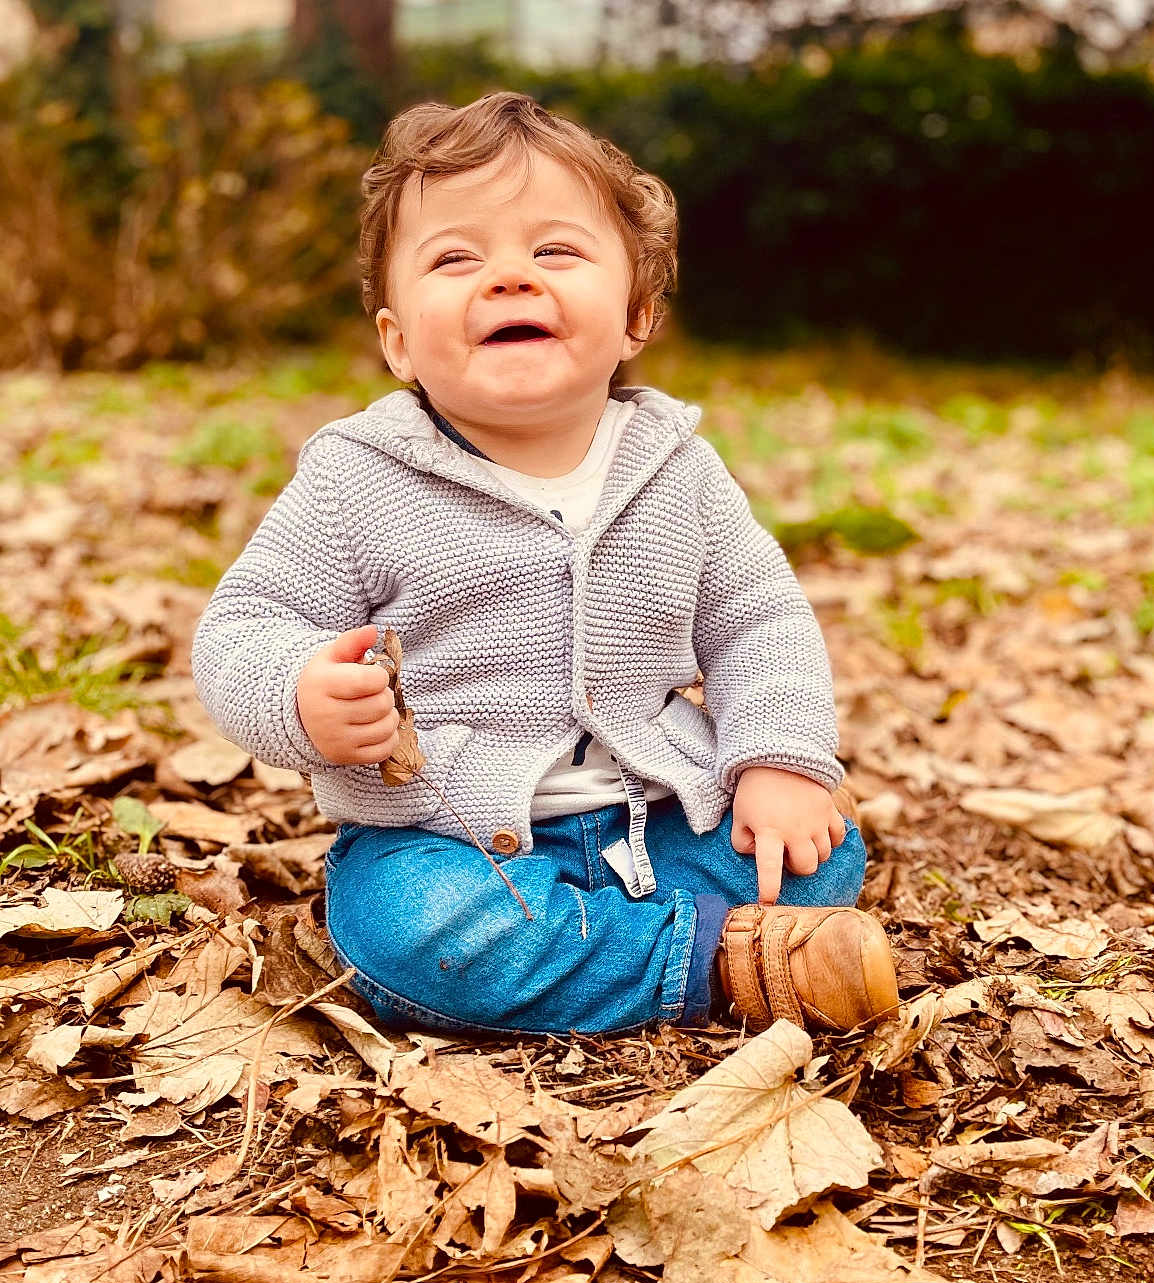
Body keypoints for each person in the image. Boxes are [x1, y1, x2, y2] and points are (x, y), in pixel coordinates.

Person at [190, 91, 899, 1038]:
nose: (510, 279)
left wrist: (777, 760)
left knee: (818, 849)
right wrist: (299, 698)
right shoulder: (357, 477)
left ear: (637, 316)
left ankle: (657, 941)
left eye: (555, 251)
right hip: (449, 839)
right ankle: (718, 966)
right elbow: (245, 626)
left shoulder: (674, 465)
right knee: (409, 930)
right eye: (455, 259)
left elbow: (757, 620)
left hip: (662, 813)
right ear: (398, 340)